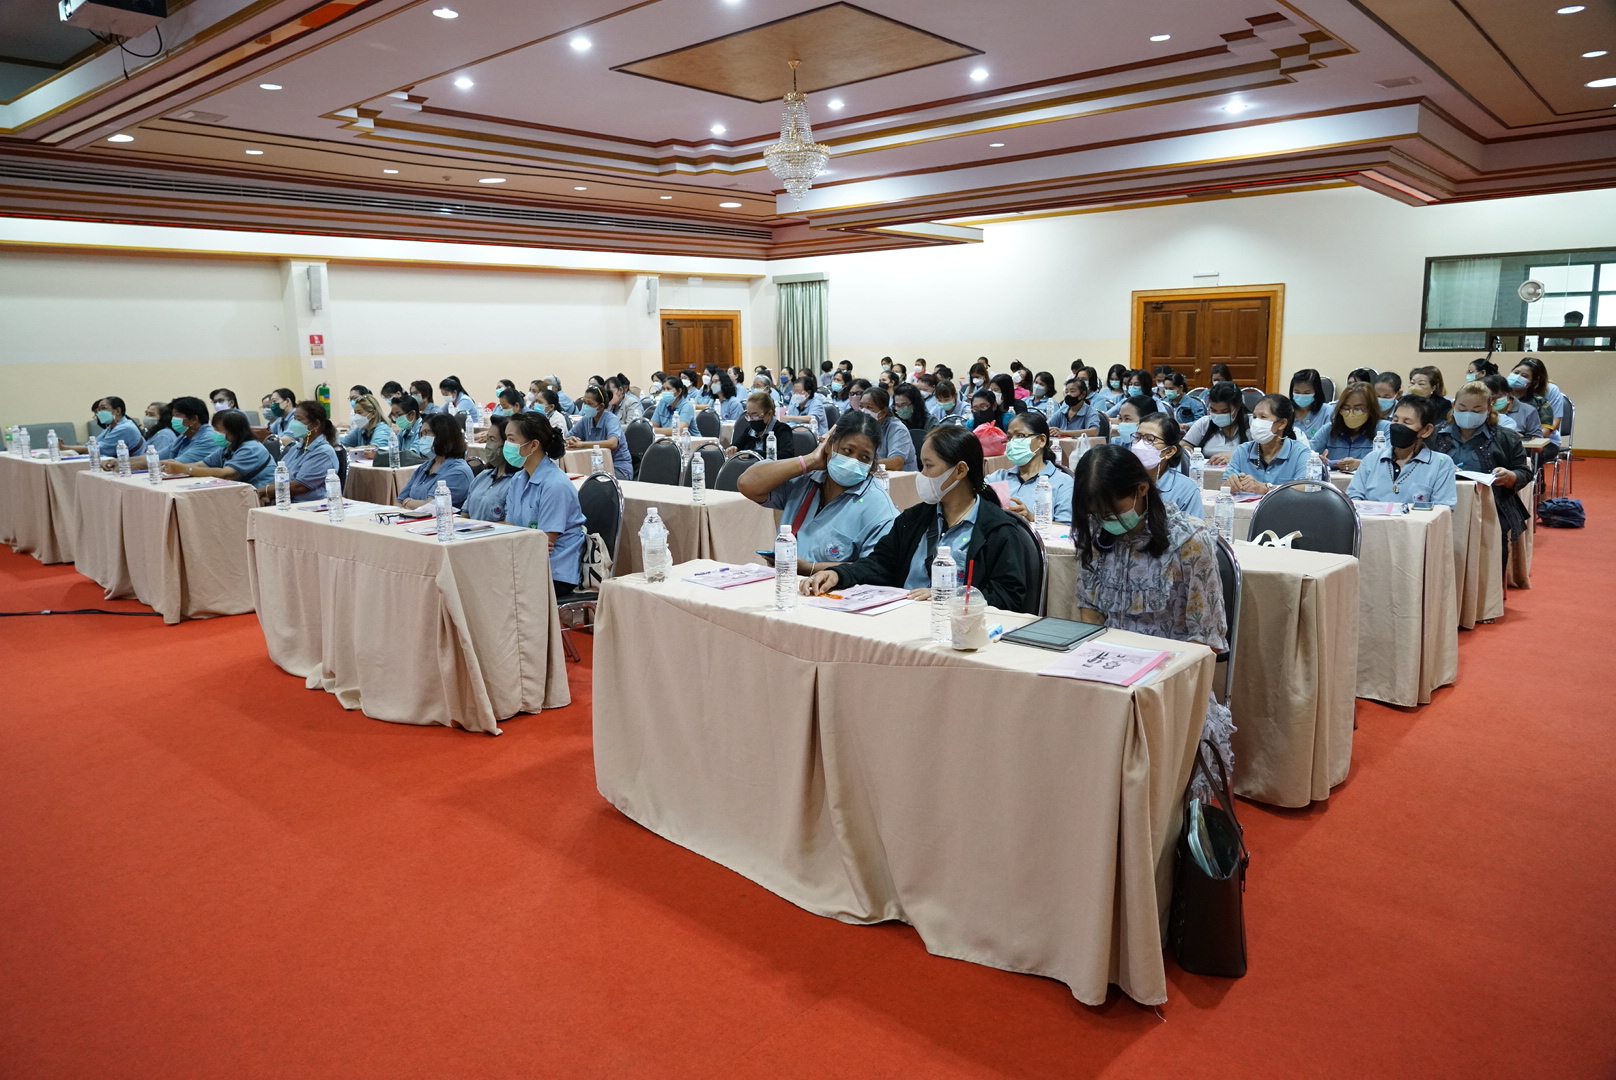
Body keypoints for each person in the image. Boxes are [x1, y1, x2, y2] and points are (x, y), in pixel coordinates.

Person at [799, 426, 1038, 612]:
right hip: (904, 618)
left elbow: (1008, 596)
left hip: (956, 628)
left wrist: (950, 597)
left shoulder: (997, 529)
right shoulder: (914, 519)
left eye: (928, 466)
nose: (921, 475)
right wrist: (839, 574)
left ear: (960, 470)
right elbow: (880, 564)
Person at [1069, 444, 1227, 651]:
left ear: (1142, 489)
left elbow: (1206, 637)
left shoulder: (1189, 540)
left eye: (1112, 511)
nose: (1105, 520)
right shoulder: (1096, 530)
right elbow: (1090, 608)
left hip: (1172, 660)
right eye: (1097, 513)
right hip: (1108, 656)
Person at [738, 412, 899, 574]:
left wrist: (810, 569)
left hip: (834, 588)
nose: (853, 461)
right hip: (784, 582)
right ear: (829, 445)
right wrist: (811, 460)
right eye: (847, 451)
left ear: (872, 463)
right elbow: (748, 483)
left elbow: (878, 567)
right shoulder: (806, 480)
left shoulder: (878, 508)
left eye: (864, 457)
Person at [1430, 381, 1531, 559]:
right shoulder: (1435, 434)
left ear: (1489, 408)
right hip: (1440, 502)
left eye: (1476, 411)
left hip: (1492, 505)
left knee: (1497, 535)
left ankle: (1493, 576)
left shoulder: (1506, 437)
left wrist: (1510, 476)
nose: (1468, 414)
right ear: (1453, 406)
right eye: (1462, 408)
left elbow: (1524, 471)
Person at [501, 412, 587, 594]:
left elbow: (542, 544)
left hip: (555, 572)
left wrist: (527, 538)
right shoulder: (518, 479)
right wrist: (528, 538)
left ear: (533, 445)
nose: (506, 445)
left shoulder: (555, 485)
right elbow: (508, 530)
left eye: (511, 439)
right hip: (523, 561)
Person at [1345, 395, 1458, 508]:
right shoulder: (1372, 458)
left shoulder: (1441, 463)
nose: (1398, 426)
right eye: (1395, 420)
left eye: (1407, 422)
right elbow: (1353, 498)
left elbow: (1442, 508)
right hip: (1371, 519)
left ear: (1426, 430)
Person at [987, 410, 1074, 524]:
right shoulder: (998, 477)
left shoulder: (1062, 482)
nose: (1012, 442)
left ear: (1042, 440)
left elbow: (1066, 527)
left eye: (1020, 435)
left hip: (1041, 536)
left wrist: (1032, 518)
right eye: (1009, 438)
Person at [1225, 393, 1308, 494]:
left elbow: (1306, 487)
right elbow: (1224, 485)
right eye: (1254, 417)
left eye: (1263, 417)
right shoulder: (1242, 451)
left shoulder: (1300, 453)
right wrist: (1231, 484)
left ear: (1282, 423)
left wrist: (1266, 488)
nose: (1256, 423)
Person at [258, 400, 339, 504]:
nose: (294, 423)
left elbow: (299, 487)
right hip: (284, 503)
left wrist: (265, 490)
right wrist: (268, 495)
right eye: (294, 419)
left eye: (299, 419)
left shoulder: (324, 452)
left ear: (316, 424)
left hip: (308, 506)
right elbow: (279, 476)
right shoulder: (295, 448)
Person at [165, 410, 272, 486]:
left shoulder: (251, 449)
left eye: (218, 429)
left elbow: (226, 475)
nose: (215, 433)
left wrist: (186, 469)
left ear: (234, 431)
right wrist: (175, 466)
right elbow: (203, 464)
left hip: (261, 493)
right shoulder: (228, 448)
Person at [396, 414, 475, 509]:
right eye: (421, 434)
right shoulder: (425, 467)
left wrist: (407, 502)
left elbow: (432, 507)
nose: (423, 438)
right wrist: (407, 503)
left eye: (426, 433)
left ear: (444, 435)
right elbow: (399, 501)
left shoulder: (458, 472)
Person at [1134, 413, 1202, 518]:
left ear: (1169, 451)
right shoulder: (1121, 479)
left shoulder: (1185, 489)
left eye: (1150, 439)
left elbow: (1194, 527)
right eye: (1138, 437)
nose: (1140, 445)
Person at [1310, 383, 1388, 472]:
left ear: (1370, 409)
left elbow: (1390, 460)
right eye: (1346, 409)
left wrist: (1360, 464)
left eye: (1358, 409)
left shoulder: (1384, 428)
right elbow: (1307, 452)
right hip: (1335, 480)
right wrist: (1316, 459)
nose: (1351, 413)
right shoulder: (1329, 429)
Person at [567, 385, 632, 478]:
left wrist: (582, 444)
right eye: (584, 402)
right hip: (595, 467)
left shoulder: (611, 419)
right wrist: (570, 440)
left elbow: (612, 443)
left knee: (593, 482)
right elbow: (567, 437)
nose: (585, 406)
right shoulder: (586, 419)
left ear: (601, 406)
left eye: (589, 403)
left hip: (618, 468)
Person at [463, 416, 519, 522]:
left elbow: (510, 522)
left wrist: (479, 529)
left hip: (495, 532)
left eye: (492, 440)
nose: (488, 445)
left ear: (508, 444)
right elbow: (465, 513)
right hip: (471, 531)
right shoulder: (482, 476)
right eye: (487, 439)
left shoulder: (517, 481)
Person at [1181, 381, 1249, 466]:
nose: (1218, 415)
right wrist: (1185, 450)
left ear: (1237, 408)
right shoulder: (1204, 423)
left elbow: (1262, 454)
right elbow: (1182, 447)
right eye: (1213, 410)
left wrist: (1237, 455)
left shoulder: (1251, 425)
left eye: (1225, 411)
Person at [1509, 356, 1564, 457]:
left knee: (1526, 453)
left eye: (1524, 376)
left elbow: (1553, 424)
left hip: (1540, 440)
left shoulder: (1540, 402)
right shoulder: (1499, 397)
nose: (1518, 377)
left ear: (1533, 381)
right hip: (1509, 439)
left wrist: (1527, 439)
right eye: (1516, 373)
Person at [64, 397, 144, 457]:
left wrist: (64, 447)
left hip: (131, 467)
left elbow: (98, 449)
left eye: (103, 408)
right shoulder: (110, 428)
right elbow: (91, 444)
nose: (99, 413)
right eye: (98, 410)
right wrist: (66, 448)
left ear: (118, 411)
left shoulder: (125, 428)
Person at [859, 387, 916, 472]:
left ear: (883, 412)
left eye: (869, 407)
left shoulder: (898, 429)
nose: (863, 411)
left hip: (902, 478)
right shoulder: (862, 426)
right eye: (861, 406)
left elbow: (896, 464)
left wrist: (863, 463)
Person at [728, 390, 796, 459]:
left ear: (769, 414)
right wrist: (733, 448)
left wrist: (754, 454)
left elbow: (787, 454)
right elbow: (738, 444)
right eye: (749, 416)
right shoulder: (750, 430)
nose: (751, 420)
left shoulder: (782, 429)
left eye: (755, 416)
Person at [160, 397, 226, 466]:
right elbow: (157, 458)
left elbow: (177, 466)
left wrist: (155, 464)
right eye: (173, 415)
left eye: (177, 415)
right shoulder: (184, 437)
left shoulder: (209, 438)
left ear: (194, 419)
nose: (173, 419)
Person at [1287, 368, 1334, 443]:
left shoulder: (1328, 411)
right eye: (1297, 392)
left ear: (1316, 391)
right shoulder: (1286, 409)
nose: (1301, 396)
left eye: (1307, 393)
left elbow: (1330, 441)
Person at [378, 394, 432, 460]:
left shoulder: (423, 430)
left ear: (412, 414)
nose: (396, 419)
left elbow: (413, 454)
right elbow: (395, 449)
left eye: (399, 415)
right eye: (394, 415)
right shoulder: (404, 430)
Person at [1486, 373, 1540, 437]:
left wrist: (1517, 437)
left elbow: (1537, 438)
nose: (1492, 402)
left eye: (1496, 398)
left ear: (1508, 393)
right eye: (1489, 399)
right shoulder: (1481, 411)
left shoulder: (1528, 411)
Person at [968, 390, 1009, 455]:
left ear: (994, 405)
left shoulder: (1007, 419)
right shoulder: (971, 424)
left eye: (983, 407)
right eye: (975, 408)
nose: (979, 411)